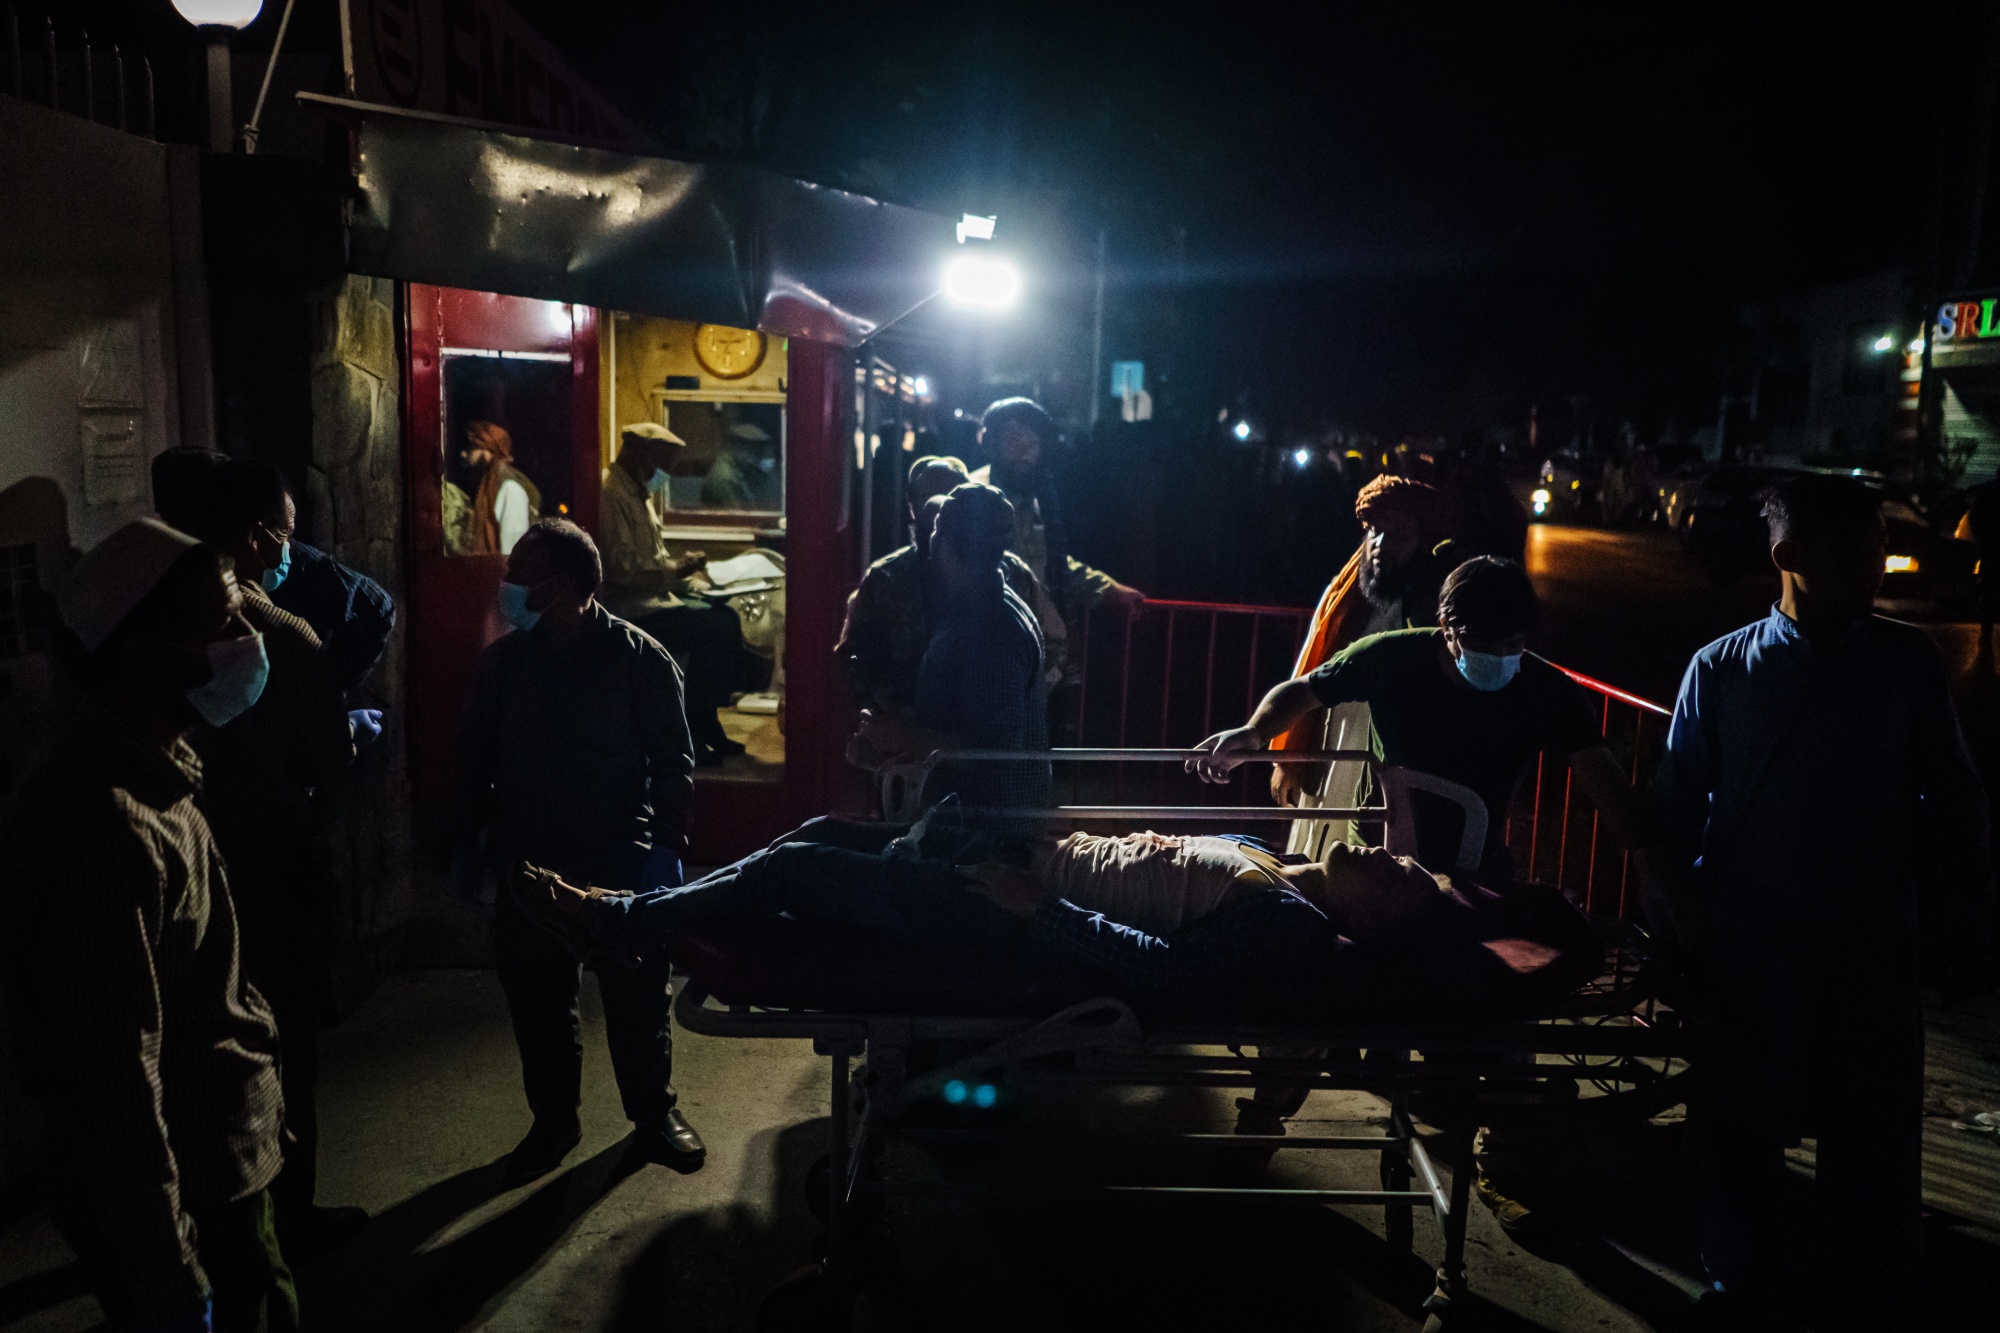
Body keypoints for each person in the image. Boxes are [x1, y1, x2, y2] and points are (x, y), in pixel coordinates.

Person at [1644, 474, 1991, 1329]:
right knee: (1743, 1126)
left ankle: (1869, 1290)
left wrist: (1960, 924)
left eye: (1880, 547)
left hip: (1872, 941)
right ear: (1789, 555)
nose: (1877, 565)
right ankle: (1740, 1281)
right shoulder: (1720, 668)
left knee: (1871, 1135)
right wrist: (1676, 929)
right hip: (1749, 945)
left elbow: (1955, 802)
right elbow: (1672, 814)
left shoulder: (1908, 663)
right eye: (1859, 549)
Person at [0, 519, 294, 1330]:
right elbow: (113, 1088)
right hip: (194, 1192)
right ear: (139, 651)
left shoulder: (155, 768)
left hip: (222, 1163)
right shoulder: (101, 825)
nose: (246, 641)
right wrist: (172, 1274)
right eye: (222, 623)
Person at [518, 828, 1452, 1011]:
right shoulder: (1269, 854)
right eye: (1405, 858)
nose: (1391, 856)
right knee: (819, 835)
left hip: (1004, 916)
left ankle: (623, 921)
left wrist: (1040, 906)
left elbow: (1165, 972)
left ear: (1372, 928)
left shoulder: (1290, 920)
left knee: (799, 869)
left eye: (1401, 881)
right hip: (1015, 862)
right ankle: (634, 925)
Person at [457, 518, 704, 1182]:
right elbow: (475, 759)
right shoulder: (505, 663)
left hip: (617, 855)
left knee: (637, 998)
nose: (508, 584)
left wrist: (666, 847)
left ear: (562, 585)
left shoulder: (640, 659)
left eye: (520, 573)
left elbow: (673, 763)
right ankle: (553, 1123)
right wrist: (469, 843)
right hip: (527, 858)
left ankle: (654, 1115)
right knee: (537, 1001)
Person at [1192, 557, 1637, 880]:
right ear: (1446, 627)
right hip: (1378, 859)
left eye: (1512, 645)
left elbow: (1603, 775)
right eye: (1480, 643)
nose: (1497, 657)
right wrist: (1254, 733)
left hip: (1477, 868)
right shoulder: (1391, 657)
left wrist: (1650, 858)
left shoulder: (1546, 690)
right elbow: (1305, 690)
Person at [183, 461, 363, 1253]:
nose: (290, 549)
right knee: (281, 1038)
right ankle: (287, 1213)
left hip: (187, 857)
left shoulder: (149, 622)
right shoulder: (280, 634)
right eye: (287, 534)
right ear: (258, 537)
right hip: (270, 868)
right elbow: (329, 762)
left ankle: (193, 1212)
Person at [847, 483, 1050, 823]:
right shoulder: (990, 609)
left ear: (940, 540)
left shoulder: (989, 628)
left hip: (982, 832)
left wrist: (904, 736)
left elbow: (994, 752)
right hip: (973, 819)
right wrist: (888, 751)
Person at [152, 445, 395, 694]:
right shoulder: (181, 570)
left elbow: (375, 606)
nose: (181, 530)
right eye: (169, 517)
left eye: (207, 508)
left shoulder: (279, 558)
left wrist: (327, 691)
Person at [837, 455, 1045, 715]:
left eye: (952, 495)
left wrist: (1021, 697)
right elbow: (854, 657)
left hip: (976, 725)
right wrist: (885, 715)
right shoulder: (885, 577)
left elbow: (1050, 646)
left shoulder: (1013, 573)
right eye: (929, 496)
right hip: (900, 727)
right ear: (911, 506)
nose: (940, 506)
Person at [598, 422, 752, 765]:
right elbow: (622, 570)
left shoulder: (640, 494)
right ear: (641, 456)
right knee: (715, 630)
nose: (665, 473)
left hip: (653, 602)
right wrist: (679, 569)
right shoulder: (611, 494)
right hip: (631, 612)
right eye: (662, 463)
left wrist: (695, 583)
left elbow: (656, 561)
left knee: (726, 616)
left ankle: (706, 722)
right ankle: (693, 732)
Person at [971, 398, 1143, 694]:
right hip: (985, 640)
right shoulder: (972, 495)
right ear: (990, 444)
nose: (1024, 451)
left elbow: (1054, 563)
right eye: (1014, 439)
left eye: (1032, 442)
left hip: (1032, 642)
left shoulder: (1038, 498)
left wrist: (1107, 589)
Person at [1351, 474, 1460, 636]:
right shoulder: (1351, 601)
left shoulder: (1435, 603)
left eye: (1397, 533)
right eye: (1376, 531)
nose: (1381, 544)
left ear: (1423, 541)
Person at [446, 420, 540, 556]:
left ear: (487, 449)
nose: (463, 454)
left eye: (471, 447)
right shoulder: (487, 484)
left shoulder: (509, 487)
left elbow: (512, 548)